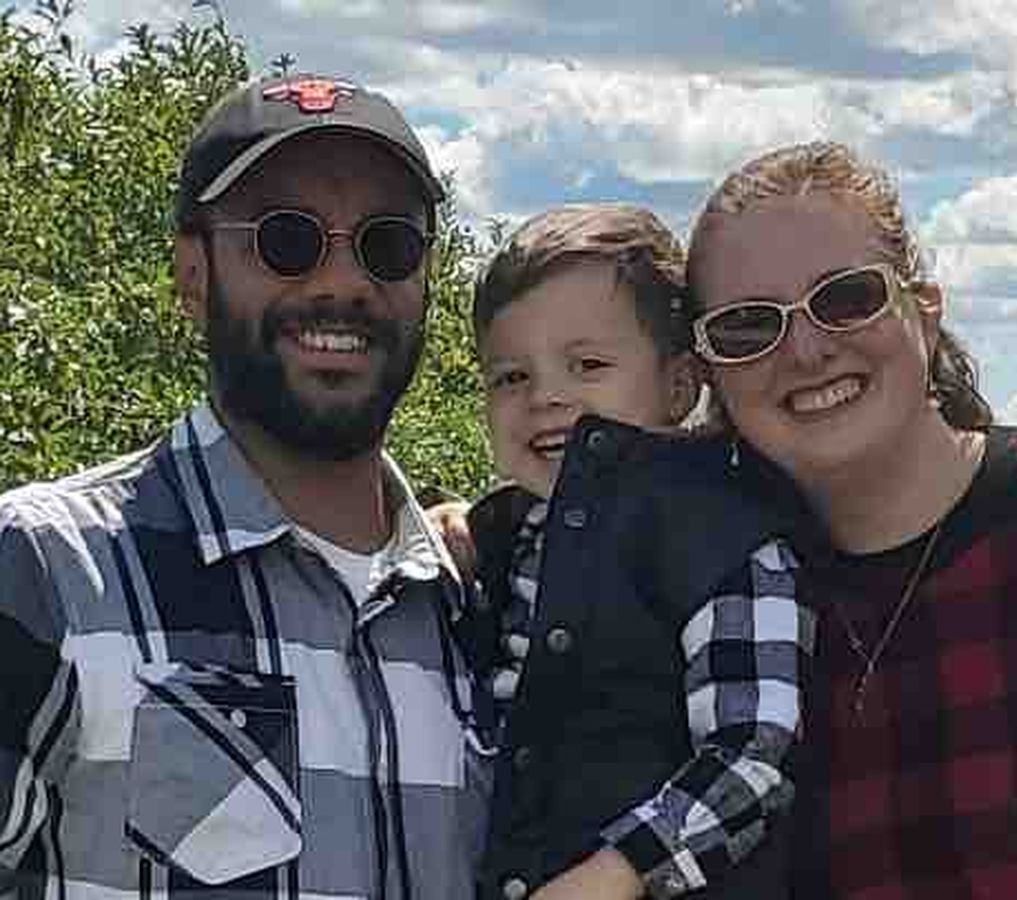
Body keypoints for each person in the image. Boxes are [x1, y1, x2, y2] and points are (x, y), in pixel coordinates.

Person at [0, 75, 490, 900]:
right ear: (193, 274)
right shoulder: (49, 568)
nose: (343, 283)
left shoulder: (482, 611)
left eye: (389, 245)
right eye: (286, 240)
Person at [686, 140, 1017, 898]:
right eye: (747, 327)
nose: (806, 350)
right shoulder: (718, 607)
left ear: (923, 312)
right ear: (707, 373)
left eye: (847, 297)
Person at [463, 204, 813, 899]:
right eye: (510, 377)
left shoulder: (716, 537)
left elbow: (754, 756)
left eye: (588, 365)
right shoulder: (501, 540)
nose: (546, 396)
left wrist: (617, 875)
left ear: (679, 386)